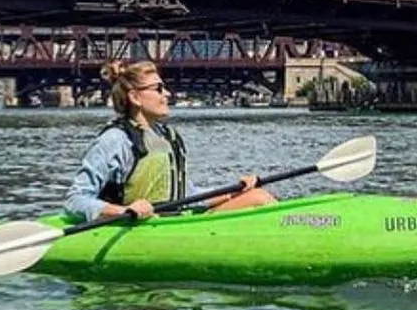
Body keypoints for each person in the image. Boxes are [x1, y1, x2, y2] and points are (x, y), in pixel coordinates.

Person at [65, 60, 277, 222]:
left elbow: (188, 195)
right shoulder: (114, 140)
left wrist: (233, 190)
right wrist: (124, 211)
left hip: (175, 220)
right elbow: (75, 200)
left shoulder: (167, 136)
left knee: (256, 195)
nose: (167, 94)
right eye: (158, 89)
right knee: (259, 199)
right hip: (138, 227)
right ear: (135, 97)